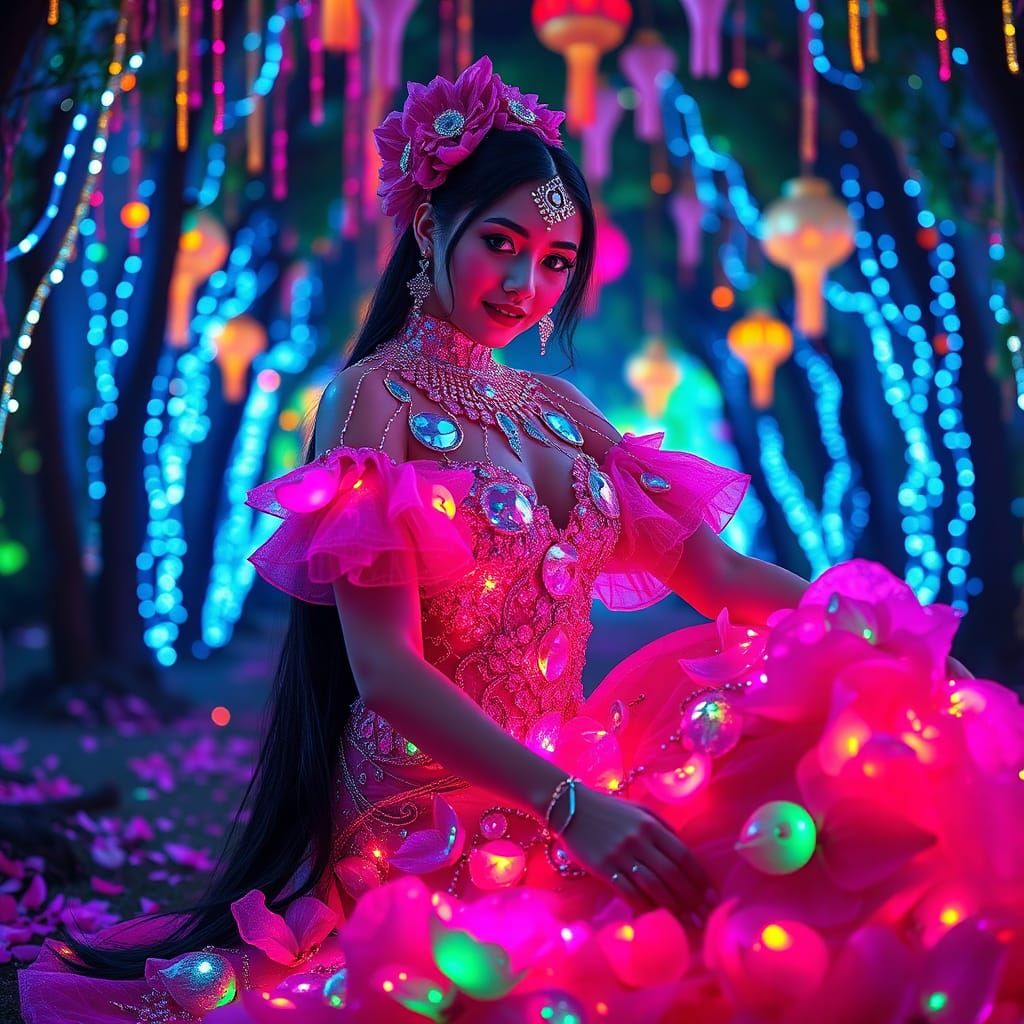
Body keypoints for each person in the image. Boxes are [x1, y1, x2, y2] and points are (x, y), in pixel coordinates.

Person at [20, 56, 1021, 1024]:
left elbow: (706, 570)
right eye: (500, 242)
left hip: (564, 779)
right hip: (424, 814)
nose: (525, 283)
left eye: (554, 262)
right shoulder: (373, 400)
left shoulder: (557, 407)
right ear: (426, 224)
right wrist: (569, 805)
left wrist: (869, 622)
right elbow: (383, 672)